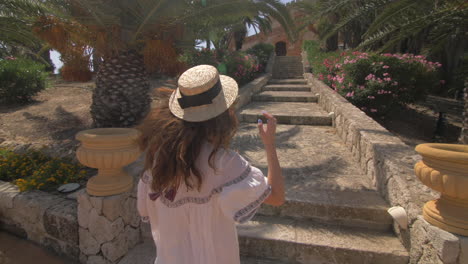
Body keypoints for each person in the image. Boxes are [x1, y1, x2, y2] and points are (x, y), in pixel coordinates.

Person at [136, 65, 284, 264]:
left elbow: (146, 210)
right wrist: (269, 144)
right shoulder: (223, 163)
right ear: (222, 113)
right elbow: (275, 196)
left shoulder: (157, 161)